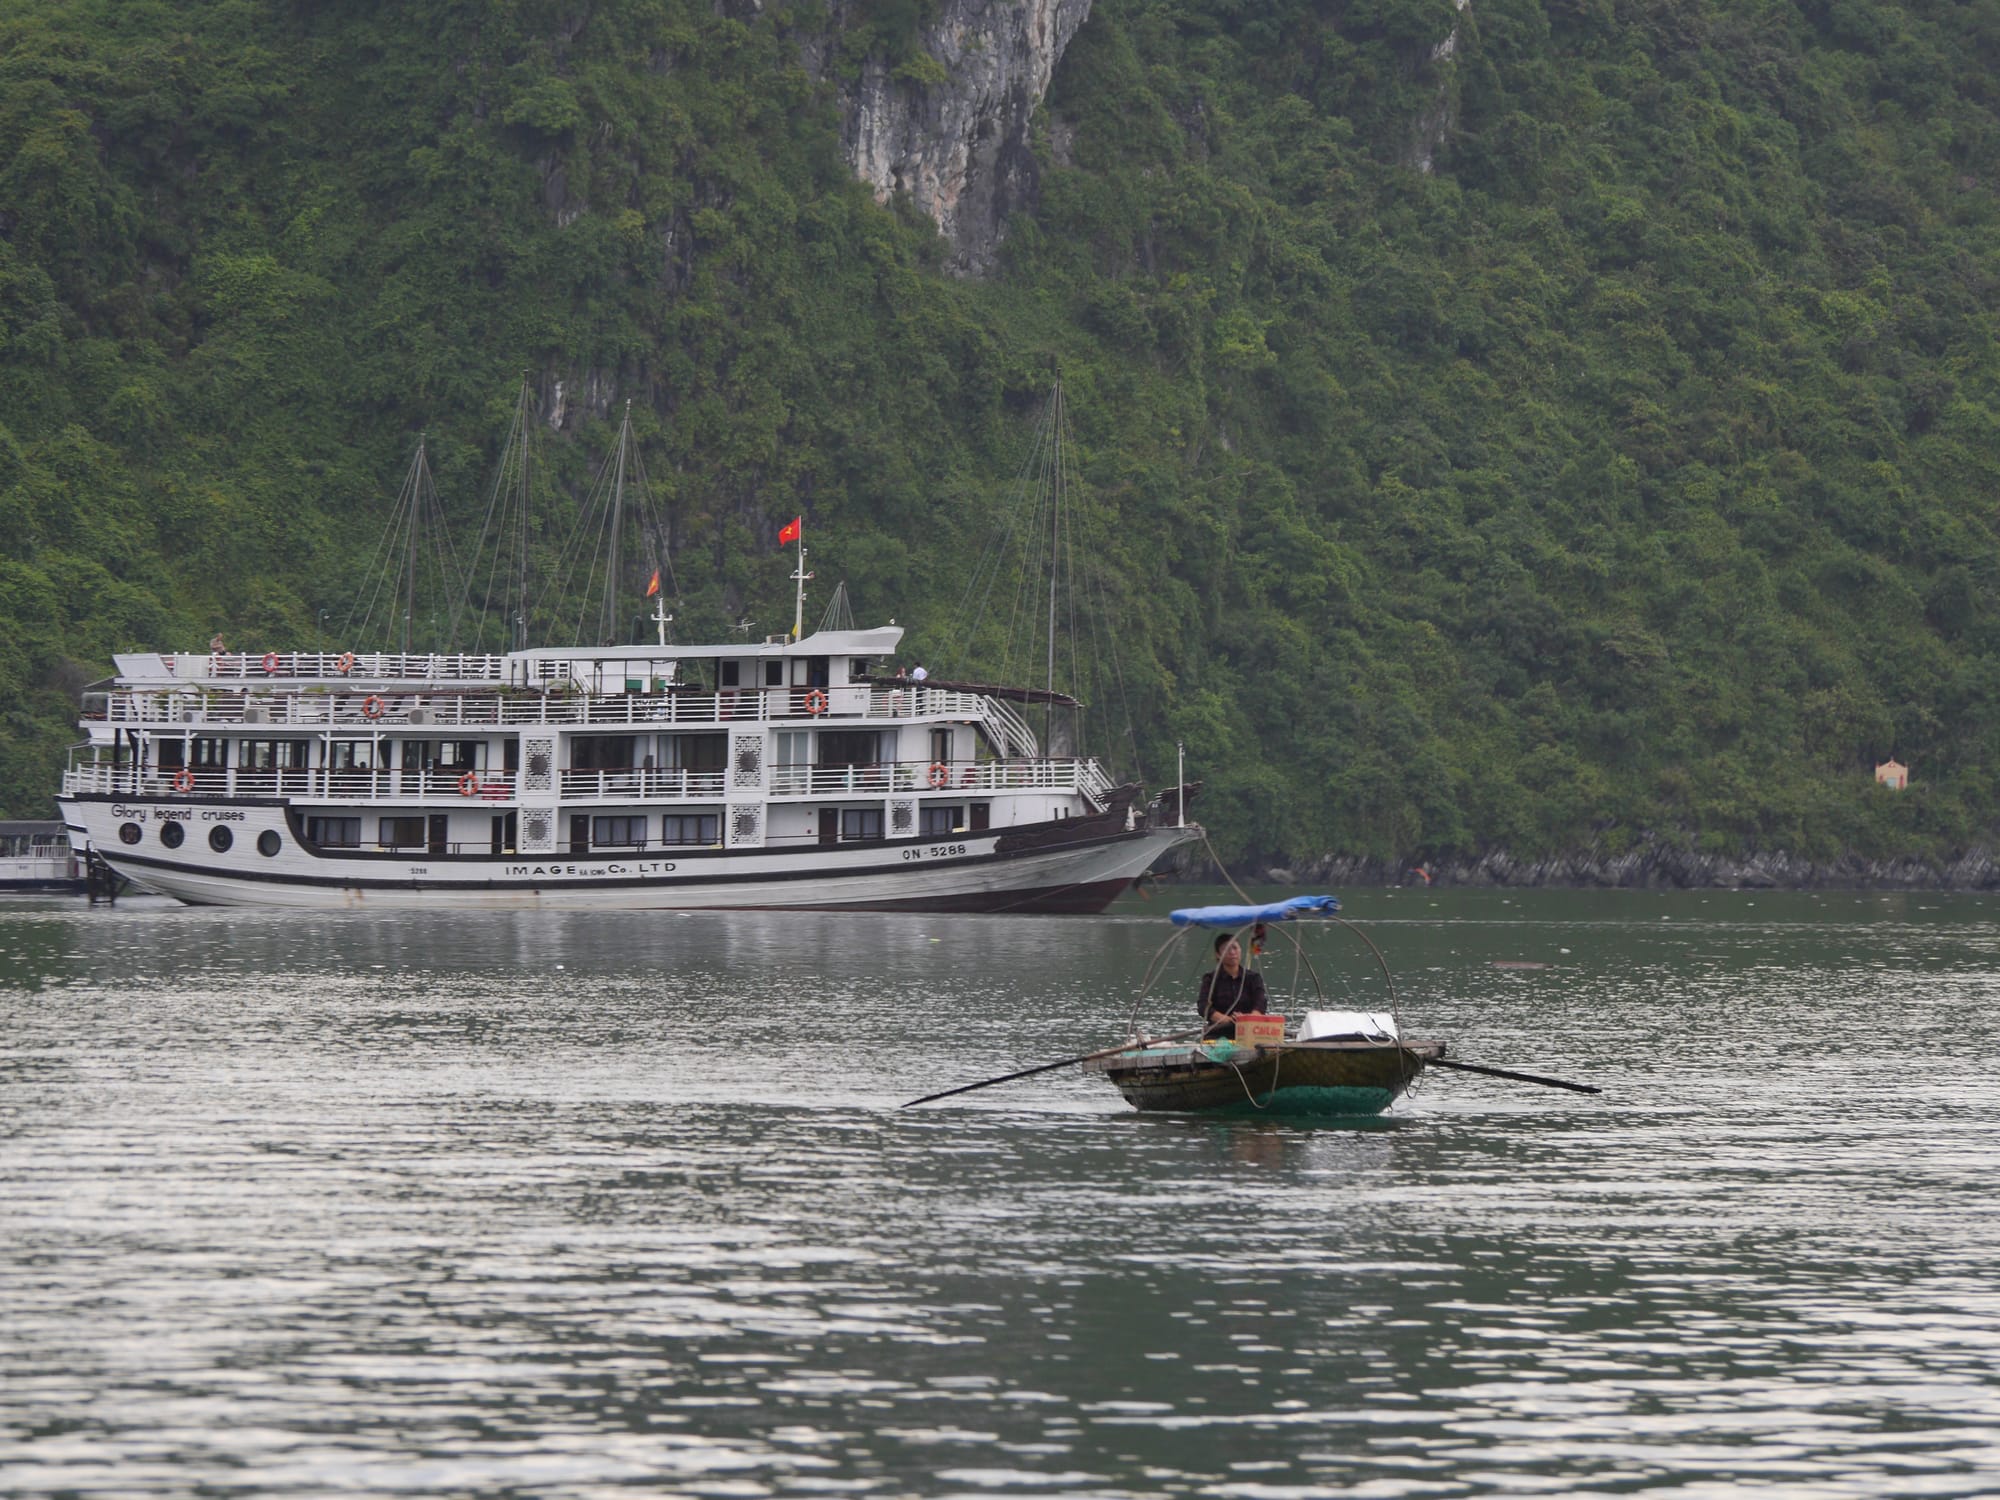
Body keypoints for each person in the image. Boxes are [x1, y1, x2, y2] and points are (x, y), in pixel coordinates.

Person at [1198, 932, 1268, 1038]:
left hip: (1249, 1033)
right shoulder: (1210, 979)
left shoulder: (1253, 978)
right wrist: (1228, 1019)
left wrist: (1246, 1019)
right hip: (1218, 1034)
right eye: (1226, 949)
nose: (1232, 952)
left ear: (1240, 950)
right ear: (1218, 954)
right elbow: (1203, 1006)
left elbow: (1261, 1002)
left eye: (1235, 948)